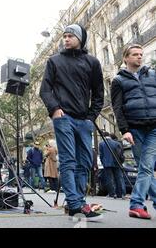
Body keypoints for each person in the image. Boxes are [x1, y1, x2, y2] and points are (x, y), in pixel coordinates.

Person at [40, 23, 104, 221]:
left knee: (84, 161)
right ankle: (76, 203)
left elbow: (99, 93)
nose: (66, 39)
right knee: (68, 160)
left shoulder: (92, 62)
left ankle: (76, 200)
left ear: (80, 38)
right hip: (63, 117)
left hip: (83, 120)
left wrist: (91, 117)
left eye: (70, 36)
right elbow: (44, 89)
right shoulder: (54, 61)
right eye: (64, 36)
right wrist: (55, 109)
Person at [111, 44, 156, 220]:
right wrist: (124, 130)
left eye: (141, 54)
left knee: (145, 167)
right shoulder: (118, 81)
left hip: (153, 128)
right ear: (126, 58)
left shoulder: (152, 75)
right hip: (135, 130)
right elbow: (117, 107)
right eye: (135, 54)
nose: (139, 57)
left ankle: (136, 204)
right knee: (145, 168)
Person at [99, 132, 125, 199]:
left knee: (109, 179)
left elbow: (101, 155)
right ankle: (119, 194)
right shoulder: (117, 143)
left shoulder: (101, 144)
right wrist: (121, 162)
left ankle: (112, 194)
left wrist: (103, 163)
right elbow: (121, 155)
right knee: (118, 178)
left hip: (107, 164)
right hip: (117, 163)